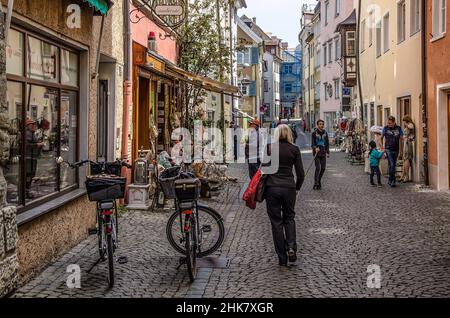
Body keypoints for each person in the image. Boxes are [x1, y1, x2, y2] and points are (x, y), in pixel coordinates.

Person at [263, 124, 305, 266]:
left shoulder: (269, 148)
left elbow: (264, 169)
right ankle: (291, 246)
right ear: (289, 134)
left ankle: (282, 257)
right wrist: (297, 188)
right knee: (289, 218)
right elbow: (300, 174)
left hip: (272, 188)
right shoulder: (294, 149)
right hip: (289, 188)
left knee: (276, 222)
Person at [381, 116, 404, 188]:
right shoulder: (385, 128)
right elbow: (380, 138)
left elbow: (401, 140)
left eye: (390, 123)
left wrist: (401, 150)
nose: (389, 124)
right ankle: (393, 181)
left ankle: (390, 180)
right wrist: (382, 147)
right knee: (392, 164)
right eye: (388, 123)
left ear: (394, 122)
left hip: (396, 149)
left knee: (392, 165)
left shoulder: (399, 128)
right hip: (388, 149)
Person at [25, 118, 44, 199]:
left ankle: (27, 191)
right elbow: (27, 145)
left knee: (31, 174)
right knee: (28, 174)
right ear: (28, 126)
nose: (33, 126)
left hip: (33, 157)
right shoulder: (27, 134)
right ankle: (26, 191)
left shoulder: (33, 133)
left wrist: (39, 144)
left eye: (33, 124)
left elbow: (33, 143)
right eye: (31, 124)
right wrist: (38, 145)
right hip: (28, 157)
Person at [311, 119, 330, 190]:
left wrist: (327, 152)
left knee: (323, 168)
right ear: (317, 125)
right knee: (318, 168)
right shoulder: (314, 133)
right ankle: (316, 183)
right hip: (316, 153)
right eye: (320, 124)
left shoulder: (325, 133)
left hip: (323, 152)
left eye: (322, 124)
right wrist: (315, 147)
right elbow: (312, 143)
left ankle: (319, 180)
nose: (321, 125)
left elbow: (327, 143)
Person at [400, 116, 415, 183]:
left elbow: (411, 128)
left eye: (404, 121)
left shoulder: (410, 124)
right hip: (406, 142)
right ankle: (403, 175)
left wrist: (407, 125)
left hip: (408, 143)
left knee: (406, 159)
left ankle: (406, 176)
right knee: (405, 159)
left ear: (407, 120)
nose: (403, 123)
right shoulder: (407, 126)